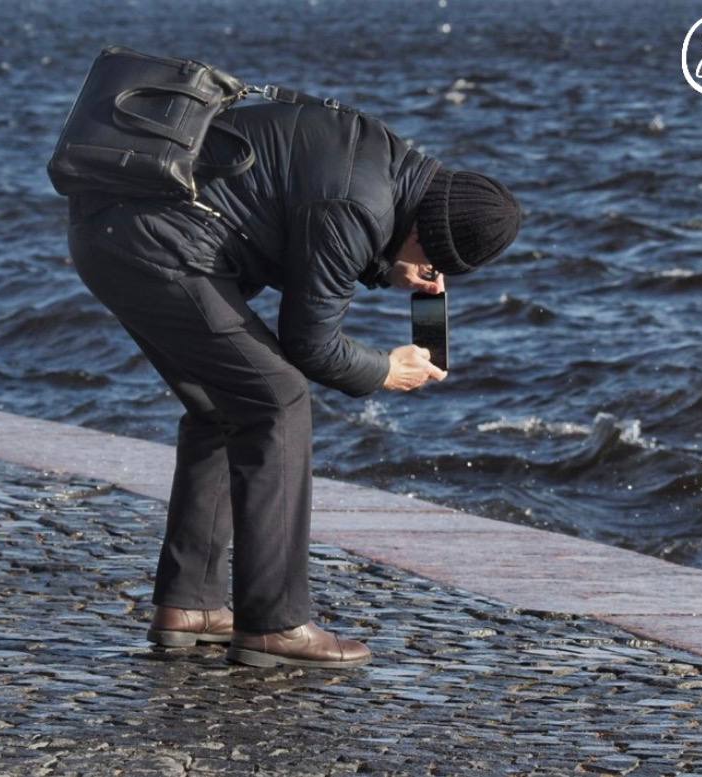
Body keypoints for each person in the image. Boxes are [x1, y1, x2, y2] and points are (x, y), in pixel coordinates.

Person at [64, 96, 522, 669]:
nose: (431, 270)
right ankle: (274, 623)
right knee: (278, 402)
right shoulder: (358, 208)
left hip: (110, 229)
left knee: (224, 407)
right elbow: (310, 344)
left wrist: (387, 266)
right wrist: (385, 369)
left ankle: (191, 605)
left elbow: (311, 210)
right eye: (436, 259)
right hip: (155, 247)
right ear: (429, 235)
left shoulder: (382, 157)